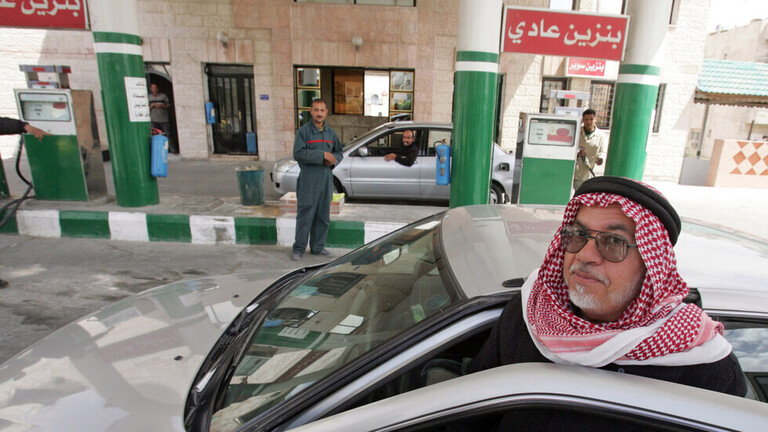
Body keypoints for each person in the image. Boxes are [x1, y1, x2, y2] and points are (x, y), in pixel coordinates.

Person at [467, 176, 746, 430]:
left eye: (614, 241)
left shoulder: (703, 367)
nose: (585, 255)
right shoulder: (531, 312)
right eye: (578, 234)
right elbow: (472, 411)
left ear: (651, 266)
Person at [291, 99, 344, 261]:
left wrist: (333, 160)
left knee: (323, 216)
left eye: (322, 110)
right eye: (316, 110)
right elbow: (298, 153)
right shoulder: (303, 132)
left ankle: (318, 248)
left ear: (326, 112)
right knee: (305, 215)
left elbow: (339, 152)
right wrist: (321, 155)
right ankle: (298, 248)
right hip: (309, 179)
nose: (319, 113)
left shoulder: (331, 133)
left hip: (326, 179)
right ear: (311, 111)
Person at [573, 108, 607, 190]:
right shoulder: (576, 131)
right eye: (586, 119)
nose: (588, 122)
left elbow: (602, 152)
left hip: (587, 174)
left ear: (595, 120)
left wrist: (600, 159)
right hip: (572, 171)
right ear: (583, 120)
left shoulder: (601, 136)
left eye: (591, 119)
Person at [148, 83, 175, 153]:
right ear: (151, 89)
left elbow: (169, 105)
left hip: (164, 119)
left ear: (157, 89)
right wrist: (151, 106)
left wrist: (161, 106)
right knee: (155, 135)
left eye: (155, 88)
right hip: (154, 119)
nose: (154, 90)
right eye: (152, 88)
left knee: (167, 134)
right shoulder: (149, 97)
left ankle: (172, 150)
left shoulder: (163, 96)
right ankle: (158, 150)